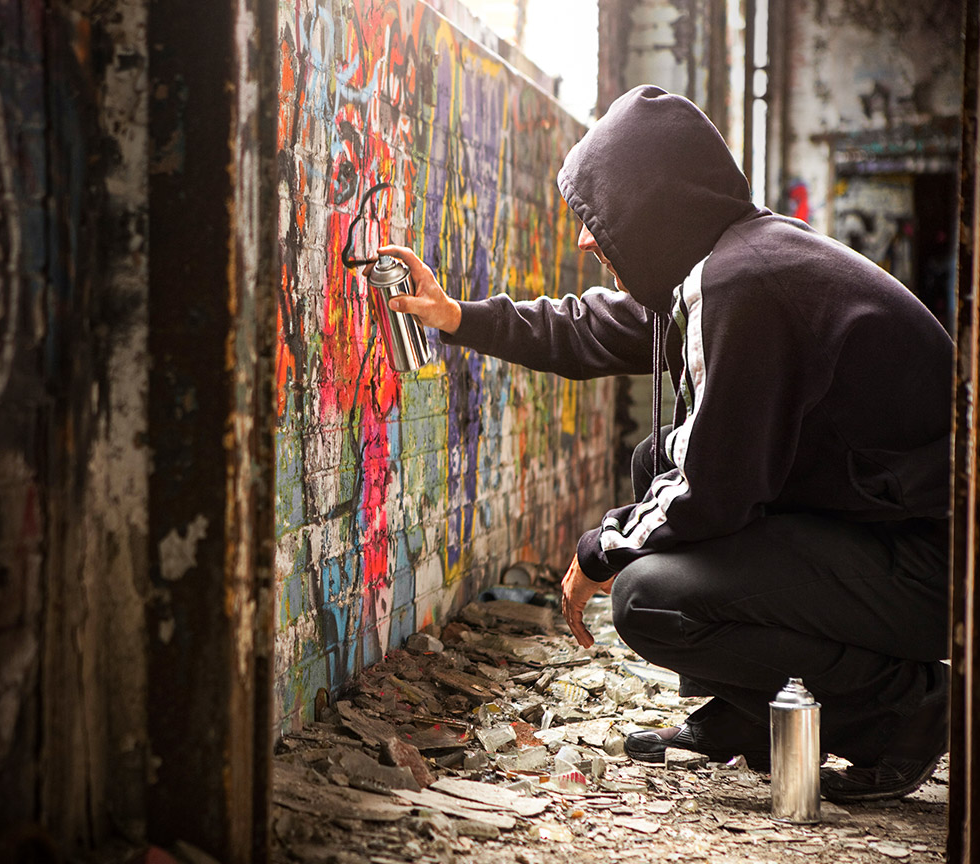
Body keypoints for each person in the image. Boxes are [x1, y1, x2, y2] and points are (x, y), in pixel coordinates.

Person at [378, 85, 951, 802]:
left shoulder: (745, 283)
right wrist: (455, 316)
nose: (588, 238)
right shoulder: (727, 259)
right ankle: (754, 716)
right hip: (884, 531)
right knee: (655, 464)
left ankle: (903, 710)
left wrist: (602, 549)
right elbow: (588, 328)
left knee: (648, 597)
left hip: (937, 570)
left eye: (601, 218)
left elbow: (716, 489)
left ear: (653, 211)